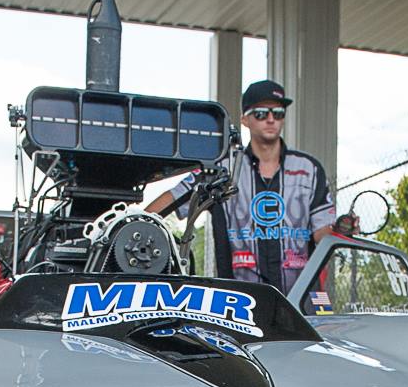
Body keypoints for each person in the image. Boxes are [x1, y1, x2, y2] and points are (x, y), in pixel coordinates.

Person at [147, 79, 347, 295]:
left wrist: (342, 230)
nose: (271, 119)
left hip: (301, 298)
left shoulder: (309, 169)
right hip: (240, 299)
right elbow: (173, 198)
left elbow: (322, 233)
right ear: (244, 119)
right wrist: (132, 223)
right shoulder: (222, 168)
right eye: (261, 113)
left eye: (278, 113)